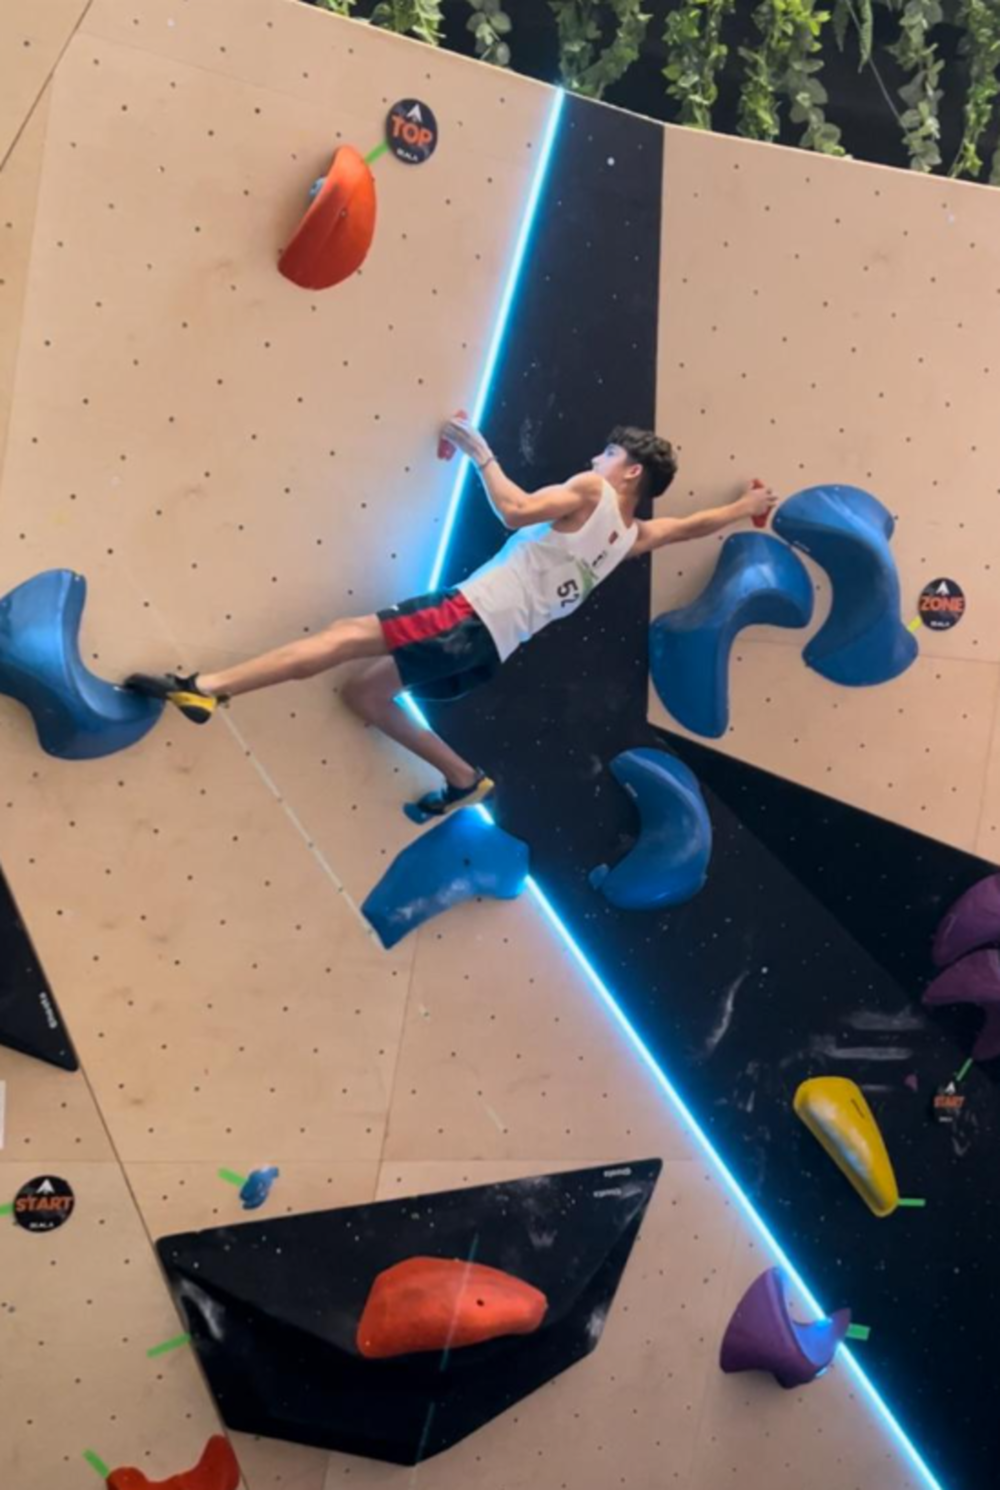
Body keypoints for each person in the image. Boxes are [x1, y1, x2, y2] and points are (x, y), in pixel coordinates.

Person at [125, 418, 776, 818]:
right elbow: (695, 525)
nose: (591, 462)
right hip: (491, 648)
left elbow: (516, 510)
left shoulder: (595, 493)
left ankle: (207, 690)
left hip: (469, 615)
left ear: (627, 470)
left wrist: (480, 452)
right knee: (364, 692)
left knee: (344, 638)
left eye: (604, 455)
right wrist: (749, 503)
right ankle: (464, 778)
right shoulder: (633, 538)